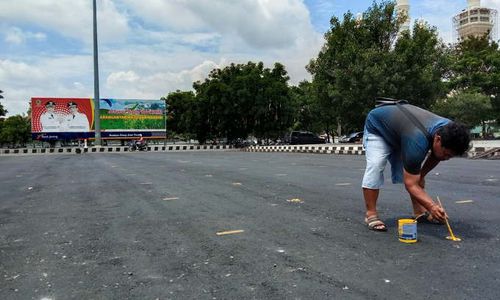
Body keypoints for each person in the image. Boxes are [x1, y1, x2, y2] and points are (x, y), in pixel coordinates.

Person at [362, 102, 470, 231]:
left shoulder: (450, 129)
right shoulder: (417, 140)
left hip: (402, 130)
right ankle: (371, 214)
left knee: (416, 175)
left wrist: (421, 175)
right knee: (376, 165)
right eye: (446, 154)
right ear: (438, 139)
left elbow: (437, 156)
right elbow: (411, 183)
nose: (446, 159)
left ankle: (419, 213)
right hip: (378, 127)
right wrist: (432, 206)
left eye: (450, 156)